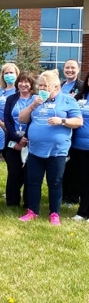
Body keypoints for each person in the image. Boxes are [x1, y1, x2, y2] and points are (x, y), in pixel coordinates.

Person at [18, 70, 82, 225]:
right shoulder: (35, 100)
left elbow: (78, 121)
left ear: (56, 87)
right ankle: (32, 211)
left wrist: (62, 121)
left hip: (57, 151)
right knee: (33, 182)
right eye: (40, 85)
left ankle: (54, 213)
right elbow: (22, 118)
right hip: (35, 150)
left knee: (55, 183)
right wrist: (33, 105)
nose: (42, 89)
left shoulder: (67, 100)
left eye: (46, 86)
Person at [3, 71, 36, 207]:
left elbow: (35, 120)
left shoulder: (36, 100)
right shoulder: (11, 99)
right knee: (13, 173)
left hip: (30, 142)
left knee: (29, 174)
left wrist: (25, 138)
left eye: (26, 82)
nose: (23, 84)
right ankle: (12, 201)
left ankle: (28, 203)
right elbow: (7, 120)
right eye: (21, 82)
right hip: (13, 141)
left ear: (31, 84)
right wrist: (17, 139)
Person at [60, 59, 83, 205]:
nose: (69, 70)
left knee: (73, 166)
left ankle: (72, 197)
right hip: (61, 130)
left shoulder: (81, 86)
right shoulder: (61, 85)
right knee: (63, 164)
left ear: (78, 69)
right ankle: (63, 194)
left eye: (72, 68)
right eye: (67, 67)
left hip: (75, 130)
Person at [69, 72, 89, 221]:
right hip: (78, 146)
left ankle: (85, 211)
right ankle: (83, 211)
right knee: (82, 180)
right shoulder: (80, 98)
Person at [0, 63, 19, 133]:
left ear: (17, 74)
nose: (9, 75)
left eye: (11, 72)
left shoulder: (19, 91)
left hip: (14, 128)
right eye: (6, 73)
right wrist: (1, 123)